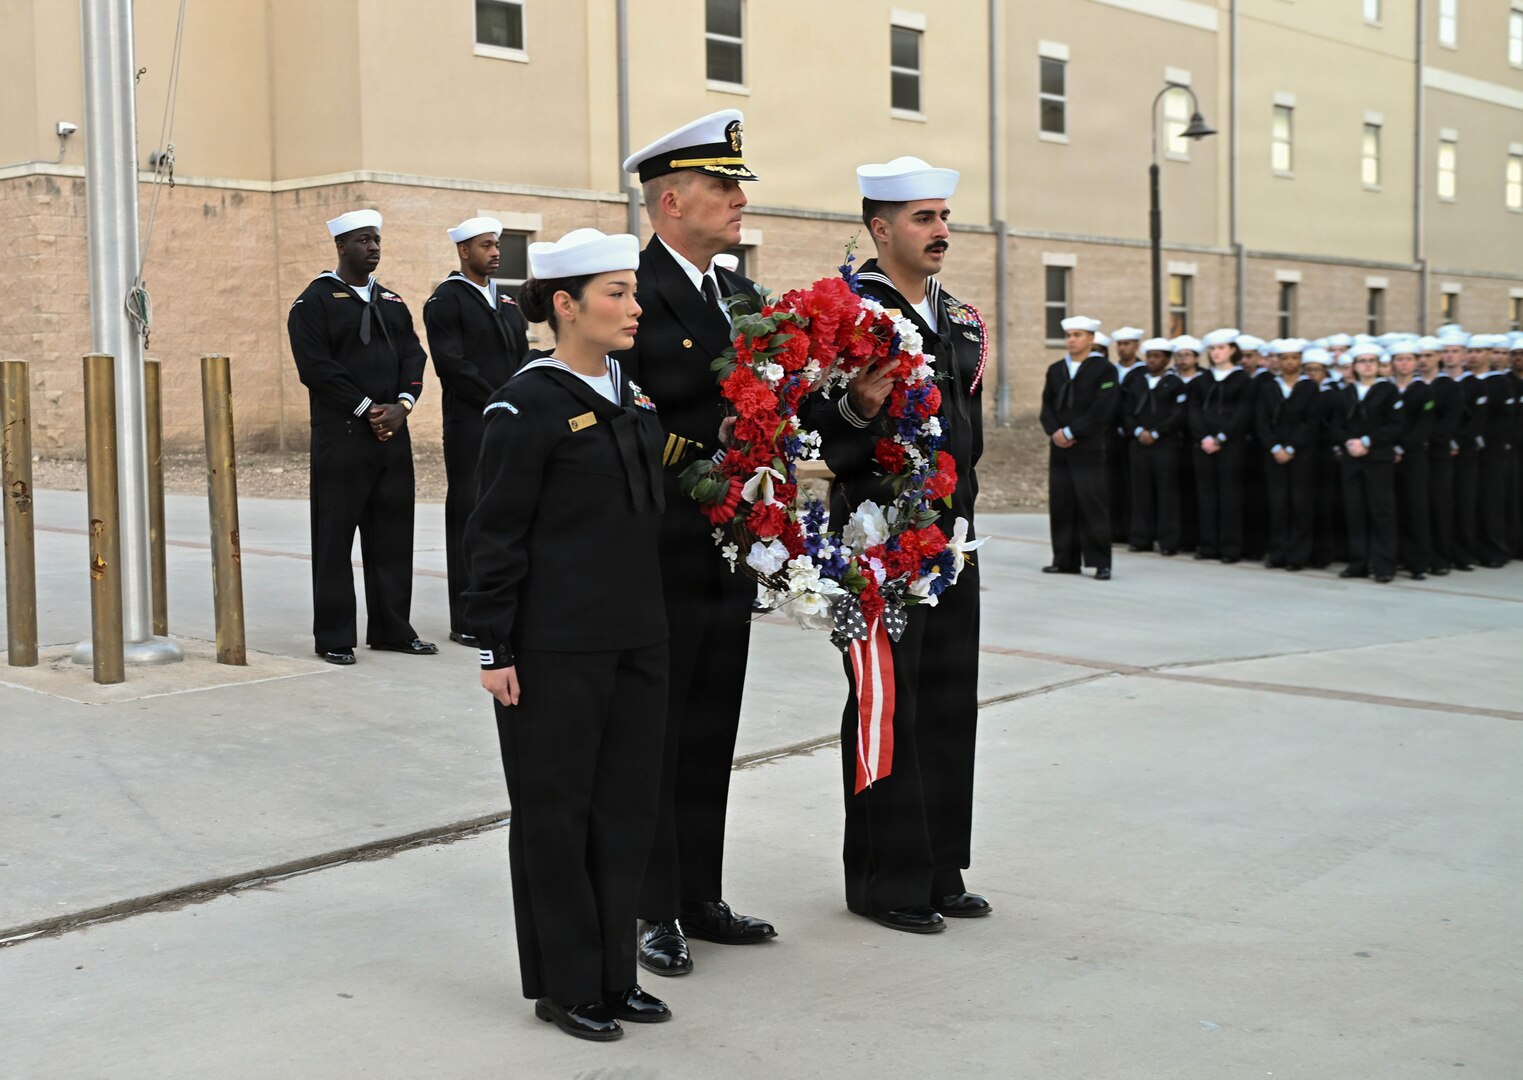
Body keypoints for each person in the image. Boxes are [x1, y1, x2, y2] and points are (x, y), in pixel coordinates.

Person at [463, 228, 671, 1042]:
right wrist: (494, 646)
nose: (633, 306)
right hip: (554, 647)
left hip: (637, 637)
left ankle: (615, 977)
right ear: (563, 304)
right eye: (615, 292)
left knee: (625, 812)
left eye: (631, 291)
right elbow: (494, 533)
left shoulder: (633, 393)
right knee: (557, 813)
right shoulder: (528, 402)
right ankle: (565, 984)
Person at [803, 155, 989, 933]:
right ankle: (885, 878)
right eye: (922, 218)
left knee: (947, 700)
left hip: (950, 536)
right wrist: (849, 407)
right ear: (879, 229)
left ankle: (939, 865)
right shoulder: (848, 316)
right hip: (876, 536)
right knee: (887, 704)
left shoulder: (959, 318)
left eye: (943, 216)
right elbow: (811, 429)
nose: (940, 230)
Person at [615, 109, 776, 976]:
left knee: (714, 720)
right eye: (724, 186)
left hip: (732, 544)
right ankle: (651, 911)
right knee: (660, 730)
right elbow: (630, 419)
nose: (739, 199)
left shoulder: (739, 295)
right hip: (665, 542)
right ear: (671, 200)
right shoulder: (633, 291)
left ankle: (698, 894)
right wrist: (713, 457)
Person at [287, 209, 436, 665]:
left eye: (376, 240)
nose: (373, 247)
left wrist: (402, 407)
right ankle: (334, 635)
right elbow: (315, 368)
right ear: (341, 246)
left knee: (393, 535)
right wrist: (365, 407)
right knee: (334, 538)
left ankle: (392, 628)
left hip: (392, 435)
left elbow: (415, 356)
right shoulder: (313, 302)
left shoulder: (392, 302)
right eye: (363, 240)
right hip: (344, 436)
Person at [423, 216, 531, 648]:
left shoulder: (506, 302)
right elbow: (452, 364)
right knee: (468, 514)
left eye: (497, 244)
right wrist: (497, 399)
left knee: (509, 510)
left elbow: (521, 356)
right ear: (464, 251)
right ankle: (466, 618)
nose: (495, 252)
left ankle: (506, 606)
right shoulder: (446, 300)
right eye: (485, 245)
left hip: (511, 420)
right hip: (472, 423)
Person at [1041, 316, 1117, 579]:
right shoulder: (1056, 369)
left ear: (1091, 339)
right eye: (1069, 335)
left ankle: (1101, 561)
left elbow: (1103, 408)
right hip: (1060, 447)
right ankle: (1065, 559)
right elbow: (1047, 407)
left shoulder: (1104, 369)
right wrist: (1055, 432)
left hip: (1088, 446)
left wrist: (1073, 431)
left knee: (1091, 502)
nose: (1072, 339)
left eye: (1078, 334)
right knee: (1062, 503)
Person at [1333, 344, 1401, 582]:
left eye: (1372, 360)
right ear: (1354, 366)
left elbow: (1395, 425)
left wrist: (1367, 441)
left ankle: (1383, 566)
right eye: (1362, 361)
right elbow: (1336, 424)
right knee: (1355, 511)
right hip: (1352, 460)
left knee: (1381, 512)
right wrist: (1348, 442)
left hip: (1377, 459)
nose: (1368, 365)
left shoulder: (1388, 391)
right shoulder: (1346, 393)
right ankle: (1358, 562)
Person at [1190, 329, 1252, 563]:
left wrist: (1221, 437)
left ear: (1232, 351)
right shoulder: (1201, 380)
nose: (1216, 353)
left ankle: (1230, 548)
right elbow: (1193, 411)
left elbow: (1242, 413)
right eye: (1213, 349)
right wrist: (1204, 436)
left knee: (1230, 497)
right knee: (1206, 497)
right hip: (1204, 445)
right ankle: (1208, 545)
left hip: (1230, 446)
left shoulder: (1242, 380)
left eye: (1221, 348)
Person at [1255, 340, 1317, 571]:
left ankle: (1298, 555)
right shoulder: (1269, 387)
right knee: (1278, 504)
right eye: (1285, 358)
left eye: (1294, 358)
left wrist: (1291, 447)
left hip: (1300, 455)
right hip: (1274, 454)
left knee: (1300, 505)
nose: (1290, 362)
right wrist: (1274, 447)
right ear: (1278, 361)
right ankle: (1277, 552)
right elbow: (1261, 421)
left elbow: (1310, 422)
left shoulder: (1309, 387)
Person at [1122, 337, 1184, 554]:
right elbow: (1126, 410)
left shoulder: (1174, 384)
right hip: (1139, 443)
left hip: (1164, 444)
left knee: (1166, 492)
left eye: (1157, 356)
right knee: (1141, 492)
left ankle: (1168, 541)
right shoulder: (1137, 381)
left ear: (1166, 360)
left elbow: (1177, 414)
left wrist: (1156, 432)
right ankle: (1140, 538)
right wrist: (1138, 431)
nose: (1152, 360)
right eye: (1149, 356)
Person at [1388, 340, 1433, 580]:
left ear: (1416, 363)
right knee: (1392, 509)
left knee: (1416, 509)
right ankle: (1394, 557)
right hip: (1387, 457)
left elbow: (1423, 426)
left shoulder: (1424, 391)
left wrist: (1402, 448)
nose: (1403, 364)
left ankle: (1418, 563)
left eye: (1408, 359)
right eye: (1399, 359)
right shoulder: (1386, 389)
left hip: (1413, 457)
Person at [1108, 327, 1145, 546]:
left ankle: (1134, 531)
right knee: (1113, 484)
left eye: (1128, 344)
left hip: (1134, 436)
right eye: (1120, 344)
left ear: (1136, 346)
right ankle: (1115, 529)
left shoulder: (1141, 372)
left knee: (1134, 485)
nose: (1123, 348)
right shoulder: (1111, 370)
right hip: (1112, 435)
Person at [1171, 336, 1203, 553]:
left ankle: (1195, 537)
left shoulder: (1203, 380)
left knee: (1196, 492)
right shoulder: (1171, 380)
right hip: (1173, 442)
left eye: (1187, 355)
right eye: (1179, 355)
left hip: (1197, 442)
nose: (1183, 359)